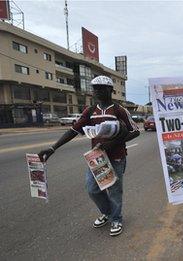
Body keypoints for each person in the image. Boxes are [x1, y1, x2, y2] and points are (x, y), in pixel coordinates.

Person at [38, 75, 140, 237]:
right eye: (95, 88)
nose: (97, 91)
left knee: (114, 190)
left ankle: (116, 219)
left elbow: (135, 131)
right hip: (97, 158)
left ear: (110, 90)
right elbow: (73, 130)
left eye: (101, 88)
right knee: (93, 189)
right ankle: (108, 213)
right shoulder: (90, 111)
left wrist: (112, 143)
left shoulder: (119, 109)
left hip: (117, 157)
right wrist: (53, 148)